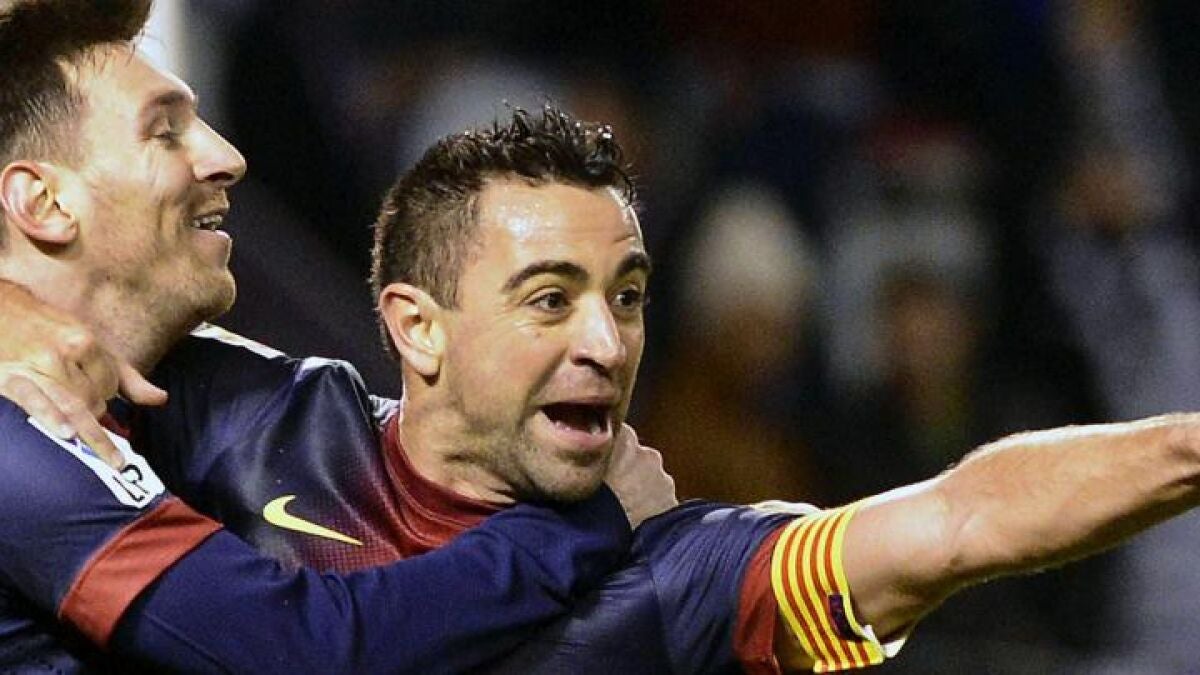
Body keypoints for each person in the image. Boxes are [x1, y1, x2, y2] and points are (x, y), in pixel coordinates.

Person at [17, 102, 1200, 673]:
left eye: (626, 295)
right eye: (549, 298)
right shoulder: (234, 419)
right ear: (417, 327)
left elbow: (962, 520)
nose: (606, 340)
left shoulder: (679, 575)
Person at [0, 1, 672, 672]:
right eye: (165, 132)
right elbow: (298, 648)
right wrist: (583, 522)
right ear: (44, 202)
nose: (226, 157)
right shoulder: (18, 439)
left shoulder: (187, 396)